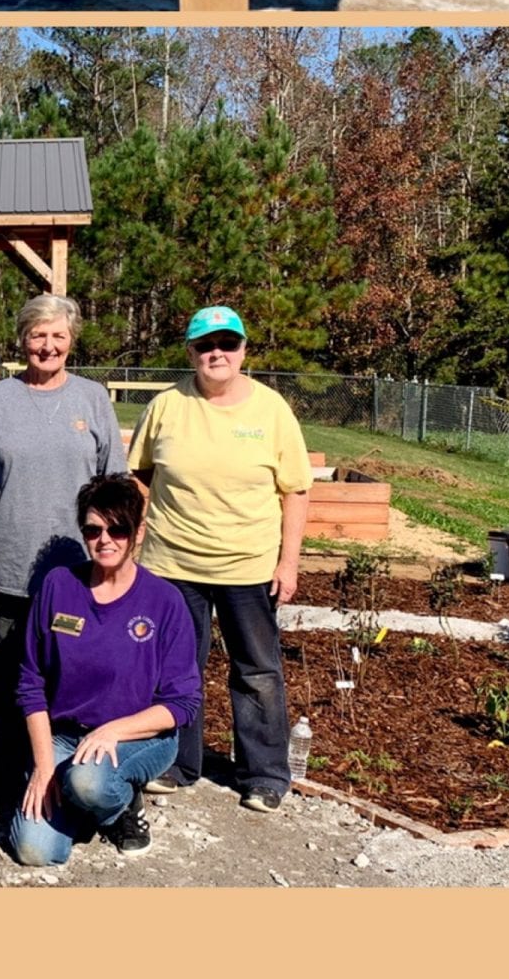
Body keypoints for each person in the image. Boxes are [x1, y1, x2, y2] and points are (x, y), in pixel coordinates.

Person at [126, 305, 312, 812]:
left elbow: (296, 490)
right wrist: (133, 545)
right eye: (206, 345)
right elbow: (139, 476)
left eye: (227, 344)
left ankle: (264, 774)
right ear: (189, 352)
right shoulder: (166, 406)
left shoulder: (271, 411)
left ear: (243, 350)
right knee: (177, 668)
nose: (217, 354)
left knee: (256, 670)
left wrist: (288, 563)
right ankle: (177, 762)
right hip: (171, 565)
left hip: (247, 568)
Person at [8, 474, 201, 866]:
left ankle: (118, 806)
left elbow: (183, 702)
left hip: (140, 736)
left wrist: (112, 731)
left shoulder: (165, 601)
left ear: (138, 532)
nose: (105, 540)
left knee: (88, 781)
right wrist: (44, 766)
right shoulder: (58, 586)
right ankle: (83, 800)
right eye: (93, 530)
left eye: (118, 529)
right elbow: (30, 682)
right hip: (64, 737)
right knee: (34, 851)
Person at [0, 295, 126, 737]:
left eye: (59, 335)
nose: (48, 346)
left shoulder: (91, 398)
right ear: (22, 339)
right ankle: (17, 774)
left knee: (74, 666)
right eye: (38, 335)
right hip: (12, 563)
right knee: (14, 671)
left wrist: (118, 551)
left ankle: (71, 761)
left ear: (72, 341)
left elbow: (116, 482)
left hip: (81, 564)